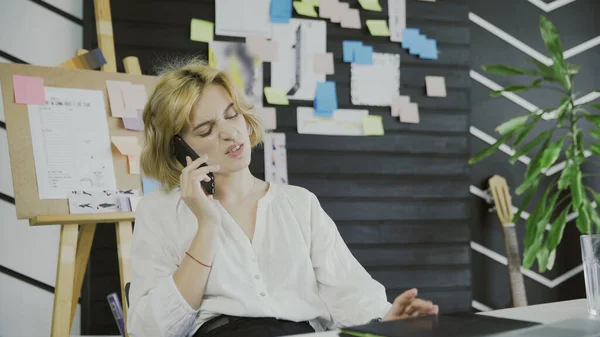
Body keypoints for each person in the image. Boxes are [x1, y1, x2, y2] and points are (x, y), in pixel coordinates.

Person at [127, 60, 439, 337]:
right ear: (178, 150)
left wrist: (388, 319)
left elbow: (349, 293)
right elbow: (151, 330)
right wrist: (207, 225)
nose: (230, 133)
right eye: (206, 130)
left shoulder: (299, 204)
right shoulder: (160, 211)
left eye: (231, 115)